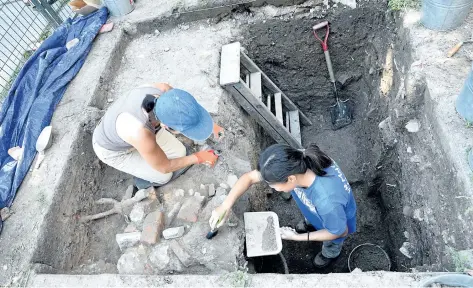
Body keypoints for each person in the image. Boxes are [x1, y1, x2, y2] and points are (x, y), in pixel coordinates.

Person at [209, 143, 357, 268]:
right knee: (312, 217)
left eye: (273, 186)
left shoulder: (327, 202)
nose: (272, 188)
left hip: (336, 222)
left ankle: (330, 254)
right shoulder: (296, 161)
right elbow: (249, 177)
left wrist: (296, 237)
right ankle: (311, 223)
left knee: (331, 242)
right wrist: (225, 206)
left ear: (290, 179)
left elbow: (339, 231)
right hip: (315, 210)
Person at [92, 83, 223, 189]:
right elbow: (165, 167)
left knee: (181, 152)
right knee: (164, 176)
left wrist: (209, 125)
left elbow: (187, 106)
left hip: (137, 128)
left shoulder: (165, 92)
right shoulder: (141, 133)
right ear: (166, 126)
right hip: (113, 150)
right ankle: (143, 180)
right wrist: (199, 157)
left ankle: (147, 159)